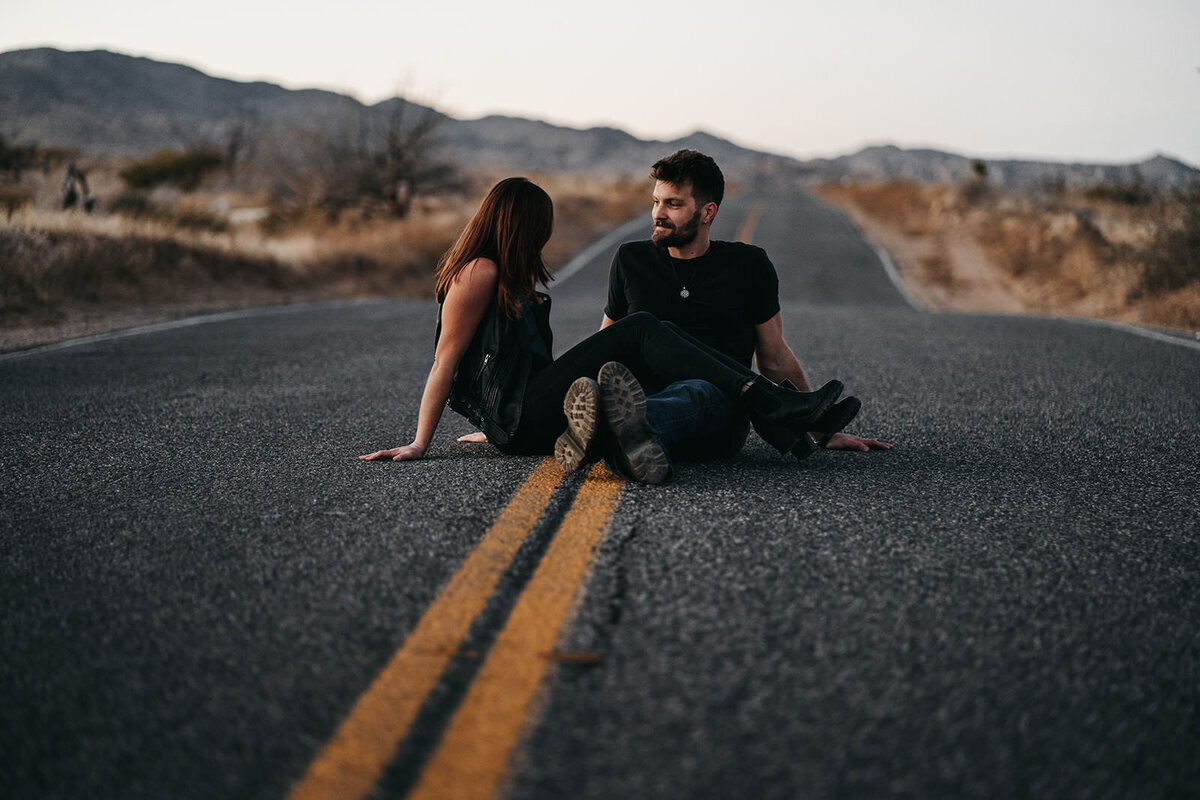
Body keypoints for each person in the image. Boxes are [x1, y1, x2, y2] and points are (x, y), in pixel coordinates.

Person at [360, 177, 858, 483]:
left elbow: (515, 366)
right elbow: (447, 361)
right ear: (519, 223)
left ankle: (629, 440)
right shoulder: (480, 272)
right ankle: (774, 405)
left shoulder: (510, 276)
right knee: (640, 327)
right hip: (524, 416)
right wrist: (421, 442)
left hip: (525, 415)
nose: (547, 234)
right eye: (542, 224)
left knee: (635, 343)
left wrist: (493, 428)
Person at [594, 150, 890, 475]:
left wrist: (821, 430)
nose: (658, 213)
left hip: (717, 410)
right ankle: (626, 442)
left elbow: (774, 356)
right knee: (626, 400)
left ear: (708, 212)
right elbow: (609, 341)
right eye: (656, 201)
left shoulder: (747, 265)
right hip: (643, 392)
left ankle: (610, 429)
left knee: (698, 392)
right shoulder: (631, 260)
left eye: (673, 204)